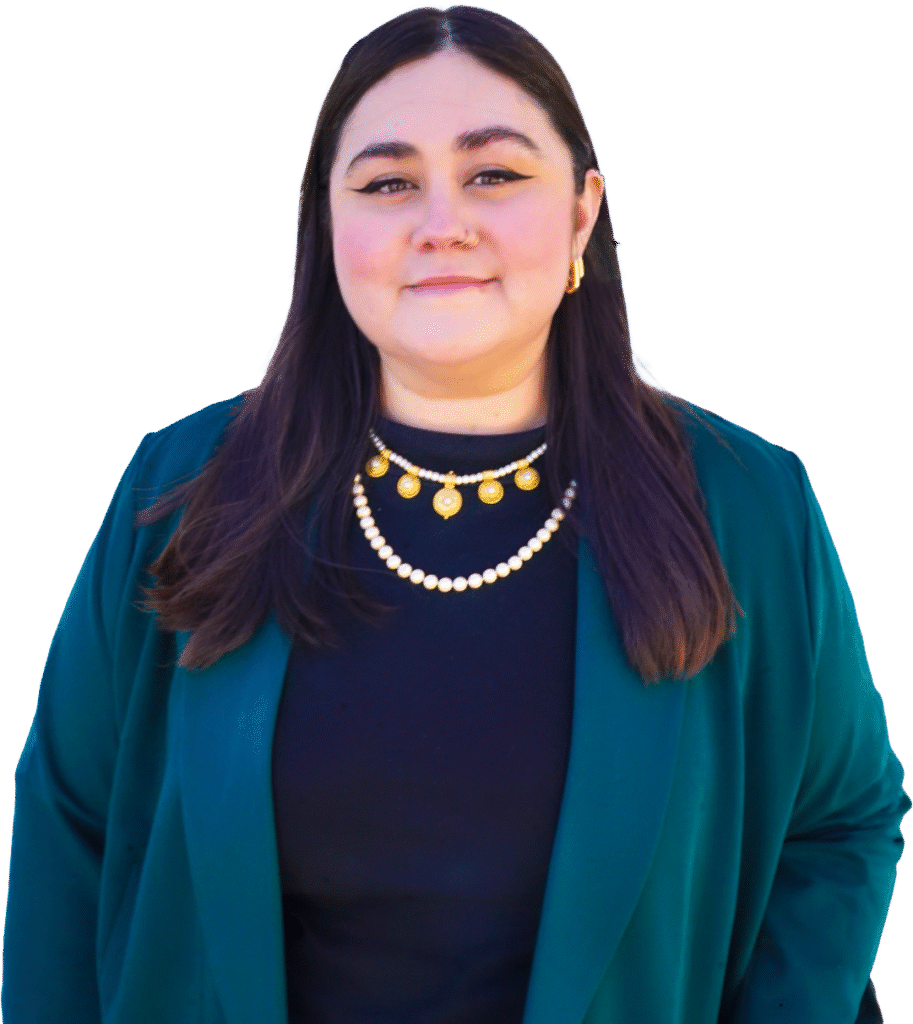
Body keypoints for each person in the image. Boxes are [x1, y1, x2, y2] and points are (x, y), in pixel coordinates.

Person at [2, 5, 909, 1023]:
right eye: (387, 183)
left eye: (495, 174)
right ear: (326, 226)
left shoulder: (745, 504)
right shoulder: (180, 488)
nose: (442, 223)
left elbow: (838, 825)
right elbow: (69, 825)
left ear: (581, 212)